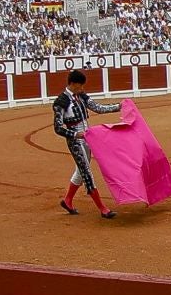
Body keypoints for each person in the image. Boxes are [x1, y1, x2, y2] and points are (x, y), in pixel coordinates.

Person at [52, 69, 122, 219]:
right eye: (80, 86)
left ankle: (68, 200)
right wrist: (74, 134)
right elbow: (58, 127)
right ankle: (102, 208)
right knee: (87, 172)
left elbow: (98, 108)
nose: (82, 89)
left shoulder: (81, 96)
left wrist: (118, 106)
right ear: (72, 84)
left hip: (88, 137)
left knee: (81, 170)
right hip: (75, 141)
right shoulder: (61, 102)